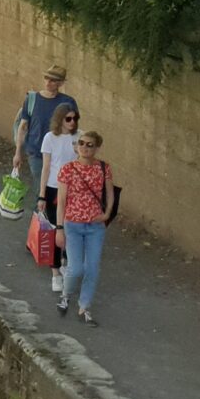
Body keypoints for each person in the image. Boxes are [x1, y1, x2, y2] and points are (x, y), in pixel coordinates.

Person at [54, 129, 122, 324]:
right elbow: (62, 200)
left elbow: (110, 193)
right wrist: (59, 228)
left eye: (89, 145)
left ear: (97, 148)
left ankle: (84, 306)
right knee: (76, 269)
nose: (83, 147)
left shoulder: (103, 168)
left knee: (92, 268)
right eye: (81, 143)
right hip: (73, 224)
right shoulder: (67, 169)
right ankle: (66, 295)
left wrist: (107, 214)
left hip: (95, 225)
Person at [7, 66, 77, 208]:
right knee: (42, 190)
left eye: (53, 80)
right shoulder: (32, 99)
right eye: (46, 78)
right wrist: (18, 153)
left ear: (61, 83)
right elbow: (23, 126)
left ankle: (56, 223)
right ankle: (40, 222)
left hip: (60, 154)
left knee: (60, 190)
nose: (48, 82)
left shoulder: (68, 102)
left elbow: (72, 128)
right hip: (36, 153)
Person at [36, 104, 82, 295]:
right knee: (57, 230)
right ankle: (55, 273)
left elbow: (85, 161)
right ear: (60, 119)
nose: (72, 123)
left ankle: (64, 261)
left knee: (71, 229)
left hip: (74, 189)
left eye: (74, 118)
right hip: (54, 188)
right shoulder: (50, 138)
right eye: (68, 119)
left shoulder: (80, 137)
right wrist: (42, 194)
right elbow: (46, 167)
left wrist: (78, 149)